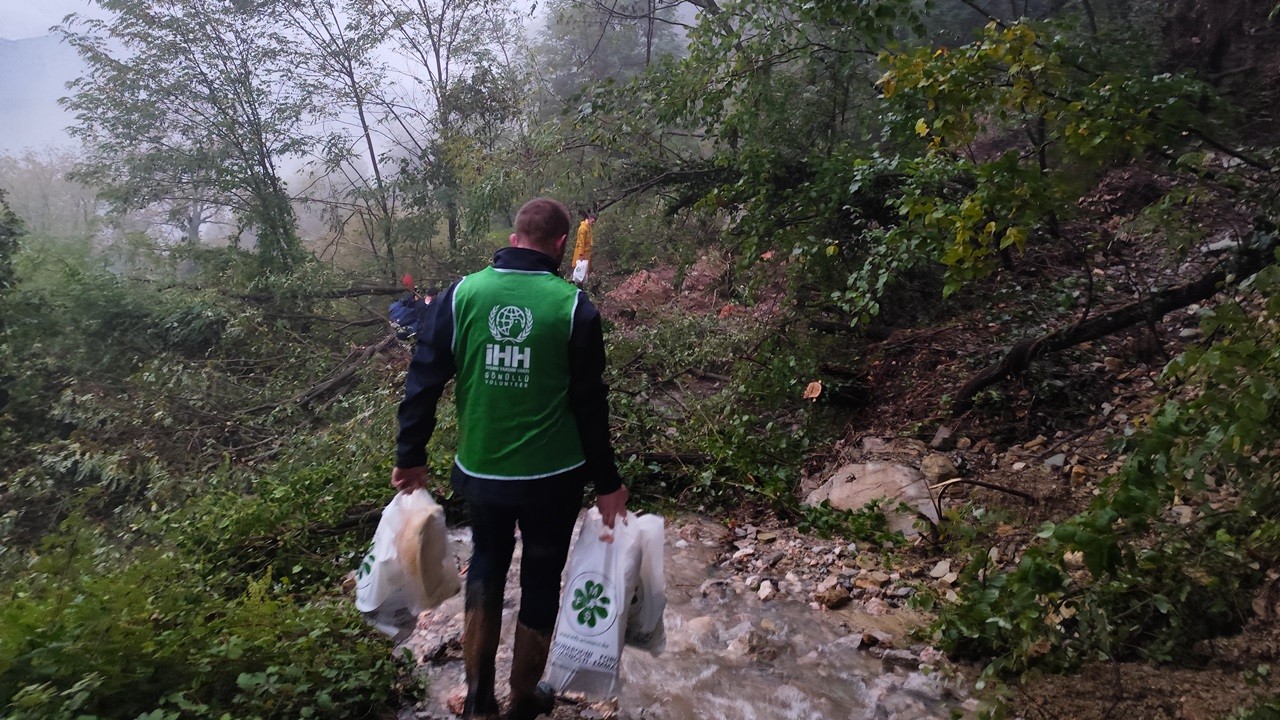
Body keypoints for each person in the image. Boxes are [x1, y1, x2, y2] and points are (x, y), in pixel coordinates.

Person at [392, 197, 629, 720]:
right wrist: (608, 483)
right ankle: (524, 693)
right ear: (562, 244)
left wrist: (411, 455)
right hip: (554, 478)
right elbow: (591, 405)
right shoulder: (573, 307)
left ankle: (477, 698)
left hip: (482, 472)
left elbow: (423, 379)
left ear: (516, 234)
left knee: (488, 562)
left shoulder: (461, 295)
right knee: (542, 575)